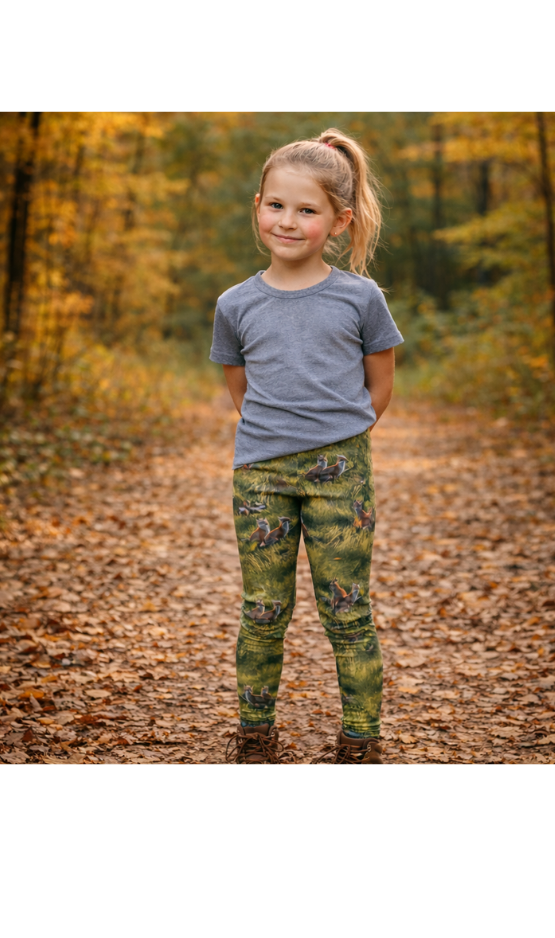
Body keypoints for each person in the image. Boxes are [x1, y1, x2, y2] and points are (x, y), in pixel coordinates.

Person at [210, 129, 404, 765]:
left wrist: (333, 440)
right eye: (275, 205)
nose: (287, 221)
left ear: (339, 220)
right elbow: (240, 385)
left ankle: (360, 737)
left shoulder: (359, 297)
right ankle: (254, 732)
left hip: (340, 473)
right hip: (260, 475)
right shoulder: (235, 304)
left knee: (346, 610)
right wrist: (277, 437)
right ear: (257, 206)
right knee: (263, 609)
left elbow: (379, 387)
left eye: (307, 209)